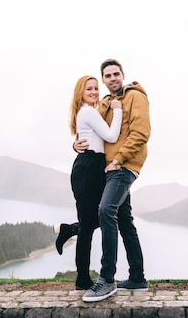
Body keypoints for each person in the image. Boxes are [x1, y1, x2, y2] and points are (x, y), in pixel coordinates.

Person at [76, 58, 151, 302]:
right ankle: (137, 278)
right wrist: (76, 144)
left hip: (123, 166)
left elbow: (141, 133)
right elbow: (92, 131)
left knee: (105, 210)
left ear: (122, 74)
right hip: (109, 168)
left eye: (115, 74)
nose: (112, 79)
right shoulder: (105, 104)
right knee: (124, 220)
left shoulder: (135, 96)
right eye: (107, 76)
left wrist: (118, 160)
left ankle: (107, 279)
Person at [57, 75, 122, 290]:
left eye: (96, 88)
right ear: (81, 93)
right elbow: (111, 137)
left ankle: (68, 230)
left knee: (93, 220)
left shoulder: (88, 111)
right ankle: (82, 279)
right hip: (88, 168)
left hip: (92, 166)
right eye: (89, 89)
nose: (94, 92)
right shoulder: (87, 111)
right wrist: (118, 110)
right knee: (88, 226)